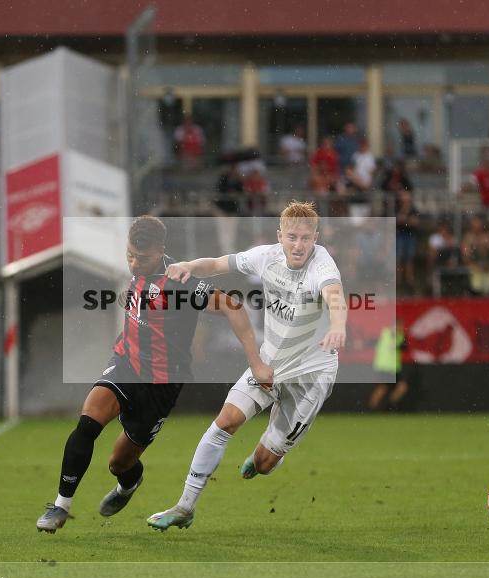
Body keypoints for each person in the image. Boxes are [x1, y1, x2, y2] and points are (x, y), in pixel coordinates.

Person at [35, 216, 273, 533]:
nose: (134, 263)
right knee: (87, 424)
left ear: (161, 250)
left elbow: (233, 306)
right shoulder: (137, 270)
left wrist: (255, 362)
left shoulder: (182, 282)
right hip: (126, 364)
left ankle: (129, 483)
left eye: (142, 258)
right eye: (130, 255)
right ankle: (60, 506)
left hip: (161, 384)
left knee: (119, 463)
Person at [146, 201, 347, 531]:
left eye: (305, 239)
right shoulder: (266, 256)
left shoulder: (322, 266)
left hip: (310, 375)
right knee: (224, 422)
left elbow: (335, 296)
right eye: (292, 237)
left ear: (316, 238)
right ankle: (185, 506)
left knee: (265, 464)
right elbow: (217, 264)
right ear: (280, 236)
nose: (298, 245)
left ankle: (264, 454)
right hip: (269, 362)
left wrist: (338, 326)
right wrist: (188, 265)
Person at [368, 319, 409, 410]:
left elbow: (405, 347)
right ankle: (371, 409)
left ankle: (390, 407)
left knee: (402, 387)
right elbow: (372, 341)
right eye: (397, 326)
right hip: (384, 366)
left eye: (400, 326)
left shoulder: (400, 336)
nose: (399, 328)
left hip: (395, 368)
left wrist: (399, 346)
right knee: (382, 388)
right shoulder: (385, 333)